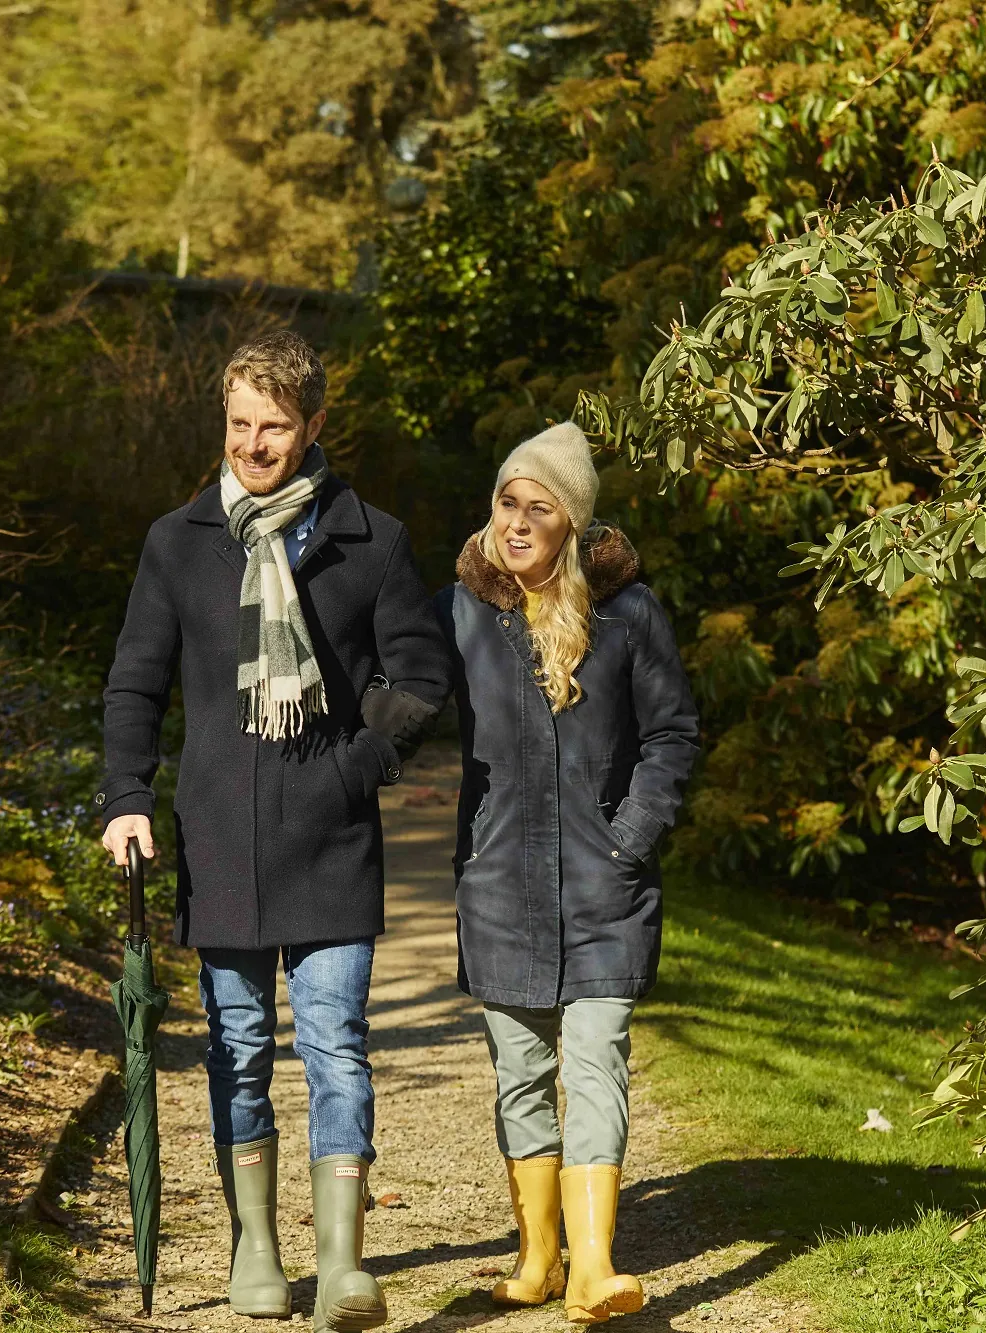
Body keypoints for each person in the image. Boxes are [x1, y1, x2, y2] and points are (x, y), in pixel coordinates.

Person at [97, 330, 447, 1330]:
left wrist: (351, 771)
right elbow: (134, 683)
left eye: (275, 428)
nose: (254, 446)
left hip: (331, 832)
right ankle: (256, 1244)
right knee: (237, 1043)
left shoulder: (367, 539)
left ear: (315, 426)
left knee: (335, 1041)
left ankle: (341, 1260)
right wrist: (125, 795)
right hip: (217, 836)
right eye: (240, 424)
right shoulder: (177, 542)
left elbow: (417, 677)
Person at [433, 422, 699, 1325]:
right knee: (518, 1067)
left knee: (595, 1062)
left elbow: (671, 736)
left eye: (537, 508)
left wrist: (630, 837)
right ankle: (537, 1255)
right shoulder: (464, 610)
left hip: (602, 884)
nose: (515, 521)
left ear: (573, 524)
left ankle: (593, 1266)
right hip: (500, 881)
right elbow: (397, 687)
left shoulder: (630, 614)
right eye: (507, 501)